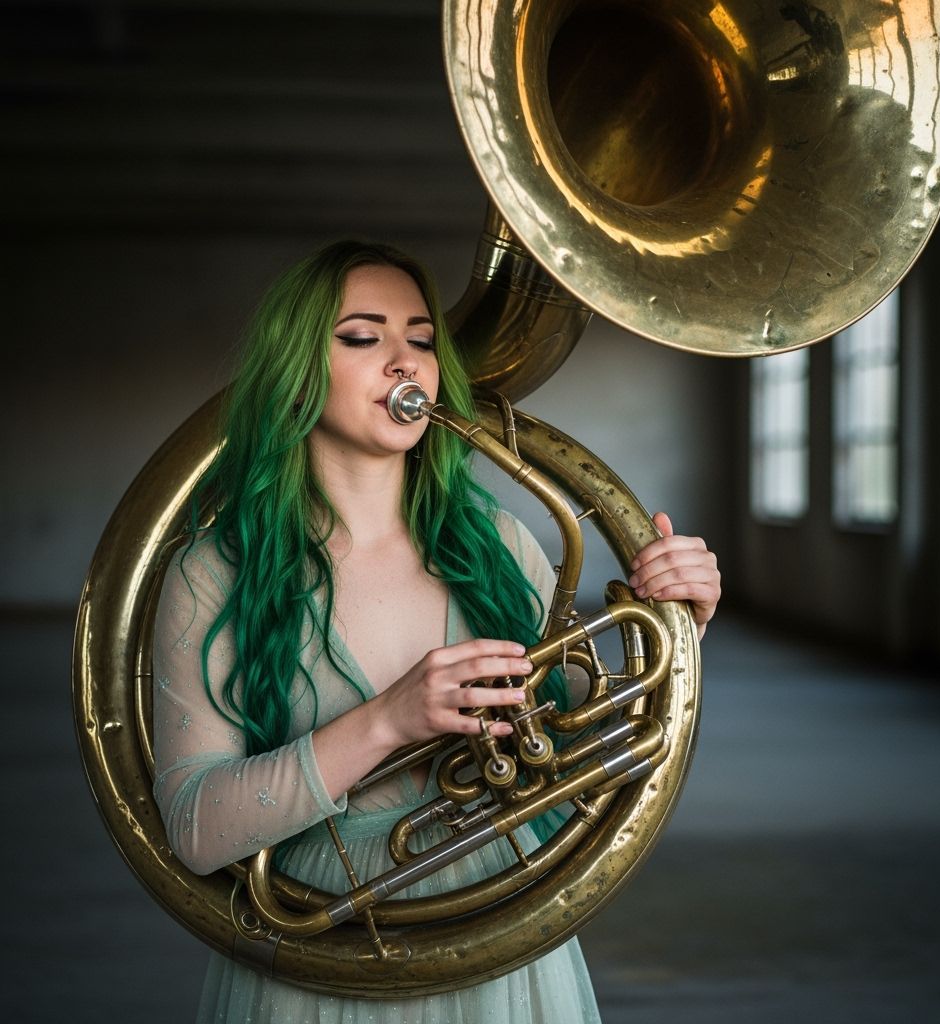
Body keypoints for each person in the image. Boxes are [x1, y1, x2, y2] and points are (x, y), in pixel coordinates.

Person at [151, 239, 721, 1024]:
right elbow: (192, 825)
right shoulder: (213, 573)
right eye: (362, 337)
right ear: (297, 372)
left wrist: (676, 624)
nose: (405, 363)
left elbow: (598, 726)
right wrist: (386, 721)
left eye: (421, 340)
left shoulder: (499, 544)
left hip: (506, 929)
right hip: (327, 941)